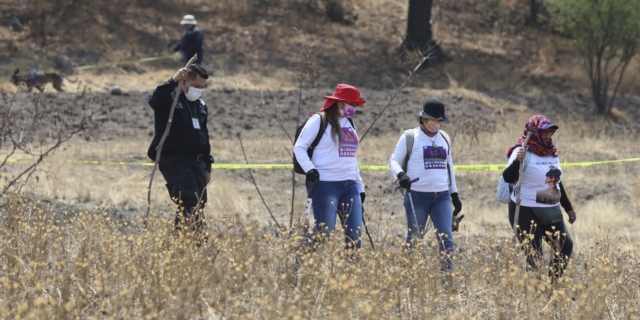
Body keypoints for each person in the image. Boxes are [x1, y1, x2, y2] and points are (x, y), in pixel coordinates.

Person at [388, 98, 462, 270]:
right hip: (417, 196)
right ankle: (406, 275)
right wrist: (401, 175)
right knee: (414, 238)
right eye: (432, 121)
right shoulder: (410, 137)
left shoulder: (444, 138)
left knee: (447, 240)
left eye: (440, 121)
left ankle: (447, 281)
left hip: (442, 197)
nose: (436, 125)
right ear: (422, 119)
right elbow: (393, 161)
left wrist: (454, 194)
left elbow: (449, 167)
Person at [502, 115, 577, 280]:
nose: (549, 135)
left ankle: (552, 284)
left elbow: (556, 182)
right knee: (534, 256)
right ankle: (534, 294)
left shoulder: (551, 152)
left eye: (551, 131)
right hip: (525, 210)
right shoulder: (521, 150)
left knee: (566, 246)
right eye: (544, 131)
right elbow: (508, 177)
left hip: (550, 208)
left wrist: (568, 207)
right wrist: (517, 161)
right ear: (534, 132)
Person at [293, 84, 366, 249]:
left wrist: (360, 187)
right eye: (351, 104)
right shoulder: (318, 120)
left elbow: (351, 158)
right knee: (324, 232)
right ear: (339, 102)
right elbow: (299, 147)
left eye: (355, 105)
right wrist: (310, 169)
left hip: (349, 185)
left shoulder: (350, 124)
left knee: (355, 237)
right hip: (325, 184)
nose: (353, 108)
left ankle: (352, 273)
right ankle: (299, 261)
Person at [147, 64, 214, 232]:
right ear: (184, 81)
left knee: (196, 204)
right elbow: (154, 101)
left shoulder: (200, 106)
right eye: (196, 86)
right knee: (190, 199)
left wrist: (207, 166)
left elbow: (204, 137)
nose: (198, 91)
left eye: (202, 88)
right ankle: (199, 242)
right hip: (174, 160)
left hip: (196, 163)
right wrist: (172, 81)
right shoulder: (170, 98)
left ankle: (179, 245)